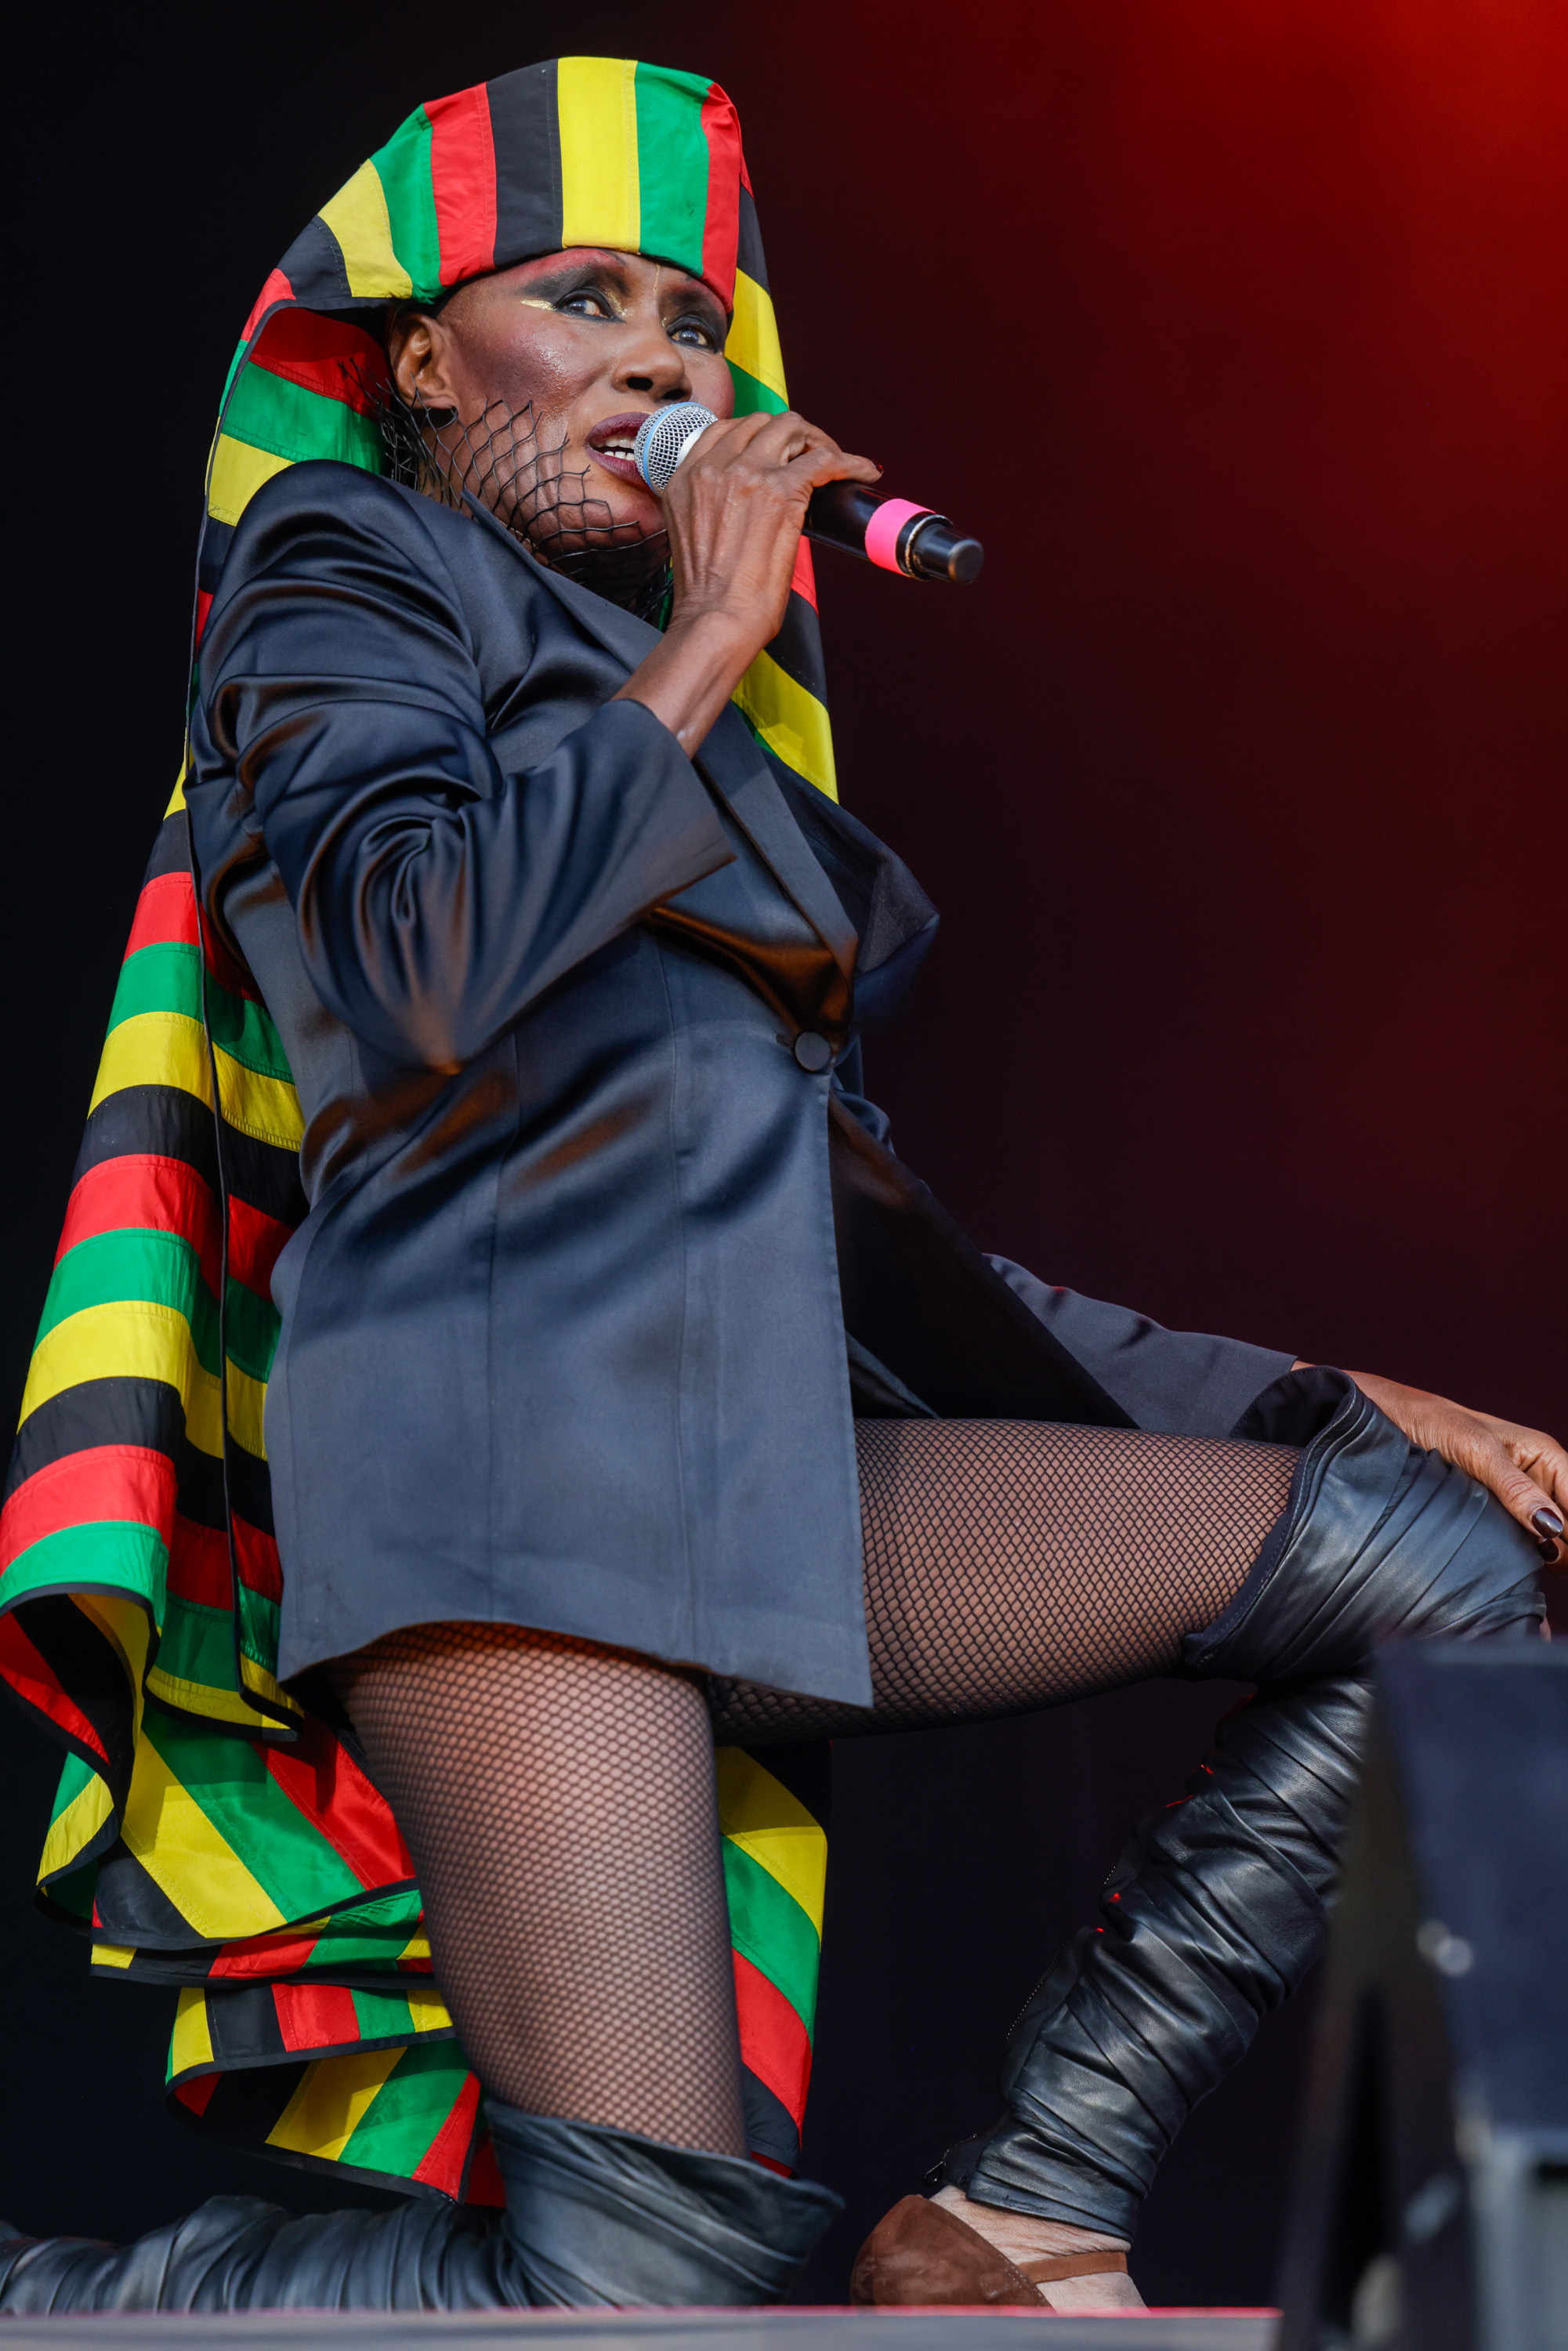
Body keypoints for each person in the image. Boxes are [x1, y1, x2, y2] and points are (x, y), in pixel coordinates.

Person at [1, 56, 1560, 2316]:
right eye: (584, 298)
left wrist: (1337, 1394)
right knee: (637, 2292)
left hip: (748, 1460)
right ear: (422, 362)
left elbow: (852, 1231)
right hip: (510, 1473)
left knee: (1426, 1568)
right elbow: (417, 959)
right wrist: (711, 628)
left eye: (693, 324)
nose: (659, 355)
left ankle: (1022, 2203)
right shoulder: (348, 566)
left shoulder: (702, 754)